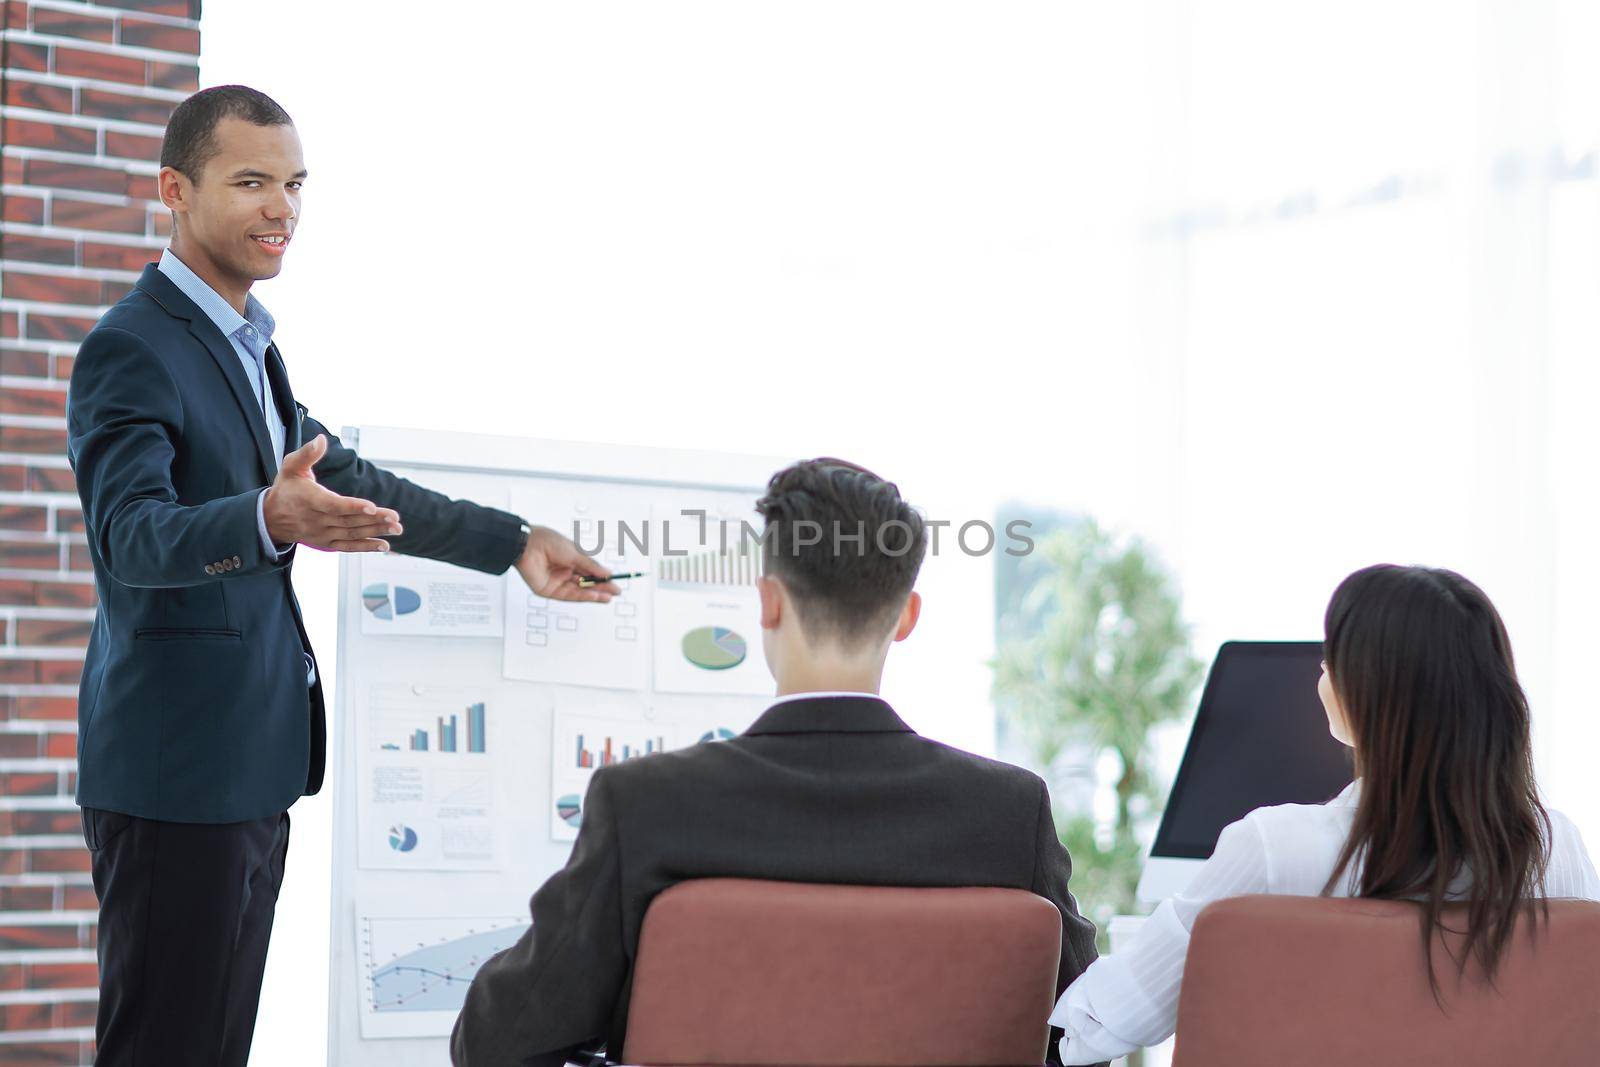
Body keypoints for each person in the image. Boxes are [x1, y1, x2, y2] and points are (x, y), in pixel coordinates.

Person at [66, 85, 620, 1067]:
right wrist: (266, 515)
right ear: (175, 190)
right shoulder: (131, 347)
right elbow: (130, 538)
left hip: (249, 766)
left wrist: (515, 541)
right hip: (175, 771)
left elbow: (345, 478)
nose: (282, 207)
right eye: (250, 181)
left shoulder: (248, 345)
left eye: (294, 184)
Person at [450, 458, 1101, 1067]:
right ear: (906, 616)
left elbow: (495, 1042)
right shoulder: (1010, 812)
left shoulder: (648, 805)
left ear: (768, 602)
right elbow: (1087, 1031)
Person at [1050, 564, 1600, 1063]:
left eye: (1330, 657)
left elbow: (1111, 1021)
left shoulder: (1271, 850)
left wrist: (1061, 1008)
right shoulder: (1558, 849)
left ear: (1360, 695)